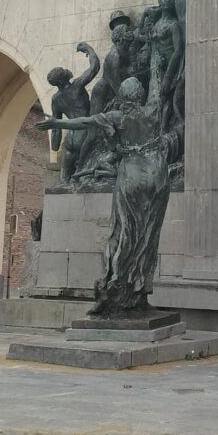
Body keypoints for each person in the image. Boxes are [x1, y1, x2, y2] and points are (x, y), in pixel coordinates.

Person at [37, 74, 171, 316]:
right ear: (139, 95)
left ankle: (116, 290)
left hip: (131, 174)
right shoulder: (152, 110)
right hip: (156, 175)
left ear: (122, 96)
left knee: (122, 233)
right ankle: (138, 292)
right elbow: (157, 86)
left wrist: (57, 124)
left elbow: (83, 122)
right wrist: (154, 58)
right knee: (148, 236)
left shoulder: (116, 117)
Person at [46, 43, 101, 184]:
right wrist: (89, 49)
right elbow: (95, 67)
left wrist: (54, 148)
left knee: (65, 180)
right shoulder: (77, 85)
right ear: (64, 78)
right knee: (83, 174)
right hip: (85, 131)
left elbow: (56, 128)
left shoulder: (55, 99)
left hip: (70, 138)